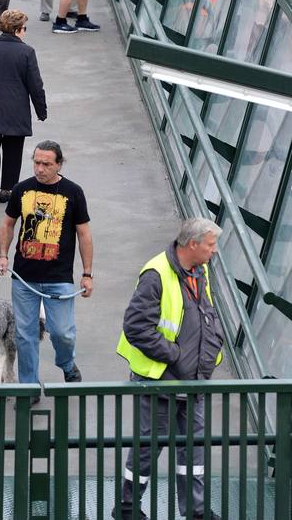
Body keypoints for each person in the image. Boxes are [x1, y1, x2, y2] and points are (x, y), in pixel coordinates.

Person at [114, 217, 224, 520]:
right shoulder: (156, 273)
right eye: (211, 245)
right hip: (160, 380)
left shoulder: (198, 270)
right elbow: (136, 327)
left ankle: (196, 512)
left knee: (194, 450)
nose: (215, 251)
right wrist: (175, 355)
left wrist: (213, 345)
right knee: (148, 449)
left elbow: (207, 313)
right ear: (193, 244)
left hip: (192, 379)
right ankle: (126, 509)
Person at [0, 141, 93, 391]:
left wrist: (87, 273)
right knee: (25, 336)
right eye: (36, 163)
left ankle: (67, 364)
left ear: (59, 164)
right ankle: (28, 388)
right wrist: (3, 255)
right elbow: (7, 224)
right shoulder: (22, 190)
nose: (40, 169)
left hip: (58, 277)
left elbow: (84, 234)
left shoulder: (73, 192)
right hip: (24, 277)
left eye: (46, 164)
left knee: (62, 332)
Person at [0, 10, 47, 204]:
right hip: (16, 109)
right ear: (16, 30)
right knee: (13, 150)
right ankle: (7, 188)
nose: (25, 32)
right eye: (24, 28)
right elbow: (35, 85)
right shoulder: (27, 52)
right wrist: (41, 111)